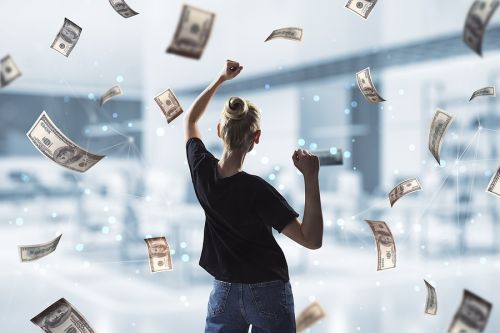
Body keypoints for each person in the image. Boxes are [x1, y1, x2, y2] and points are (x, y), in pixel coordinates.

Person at [184, 60, 324, 333]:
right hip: (268, 289)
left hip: (223, 291)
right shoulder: (258, 190)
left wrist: (221, 78)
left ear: (218, 131)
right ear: (256, 137)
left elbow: (190, 119)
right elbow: (312, 239)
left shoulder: (201, 171)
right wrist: (311, 176)